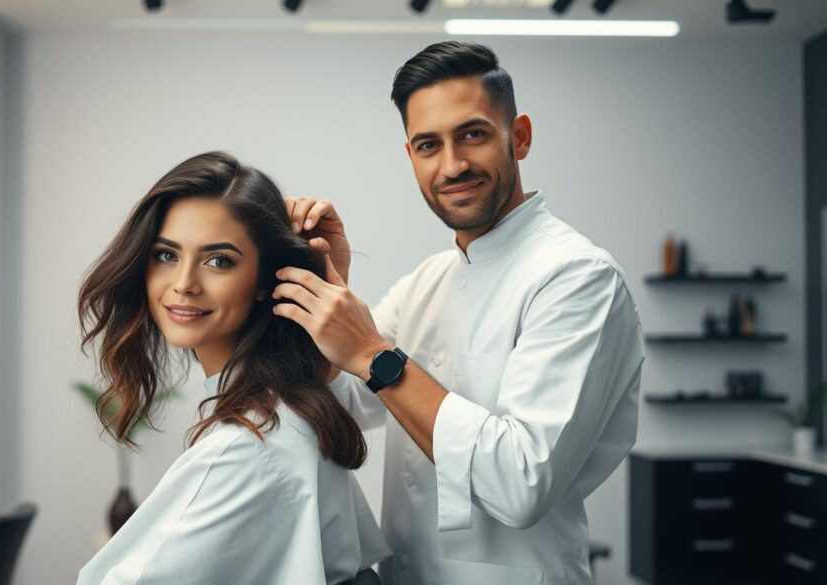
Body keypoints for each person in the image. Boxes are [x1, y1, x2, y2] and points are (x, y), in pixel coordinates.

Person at [273, 41, 645, 584]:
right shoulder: (427, 281)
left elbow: (521, 484)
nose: (452, 165)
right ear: (411, 156)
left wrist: (375, 354)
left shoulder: (578, 278)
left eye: (472, 134)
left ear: (519, 136)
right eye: (429, 145)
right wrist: (333, 285)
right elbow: (341, 404)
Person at [75, 151, 390, 584]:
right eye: (166, 254)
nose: (184, 283)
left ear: (264, 281)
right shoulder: (290, 406)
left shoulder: (246, 447)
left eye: (219, 260)